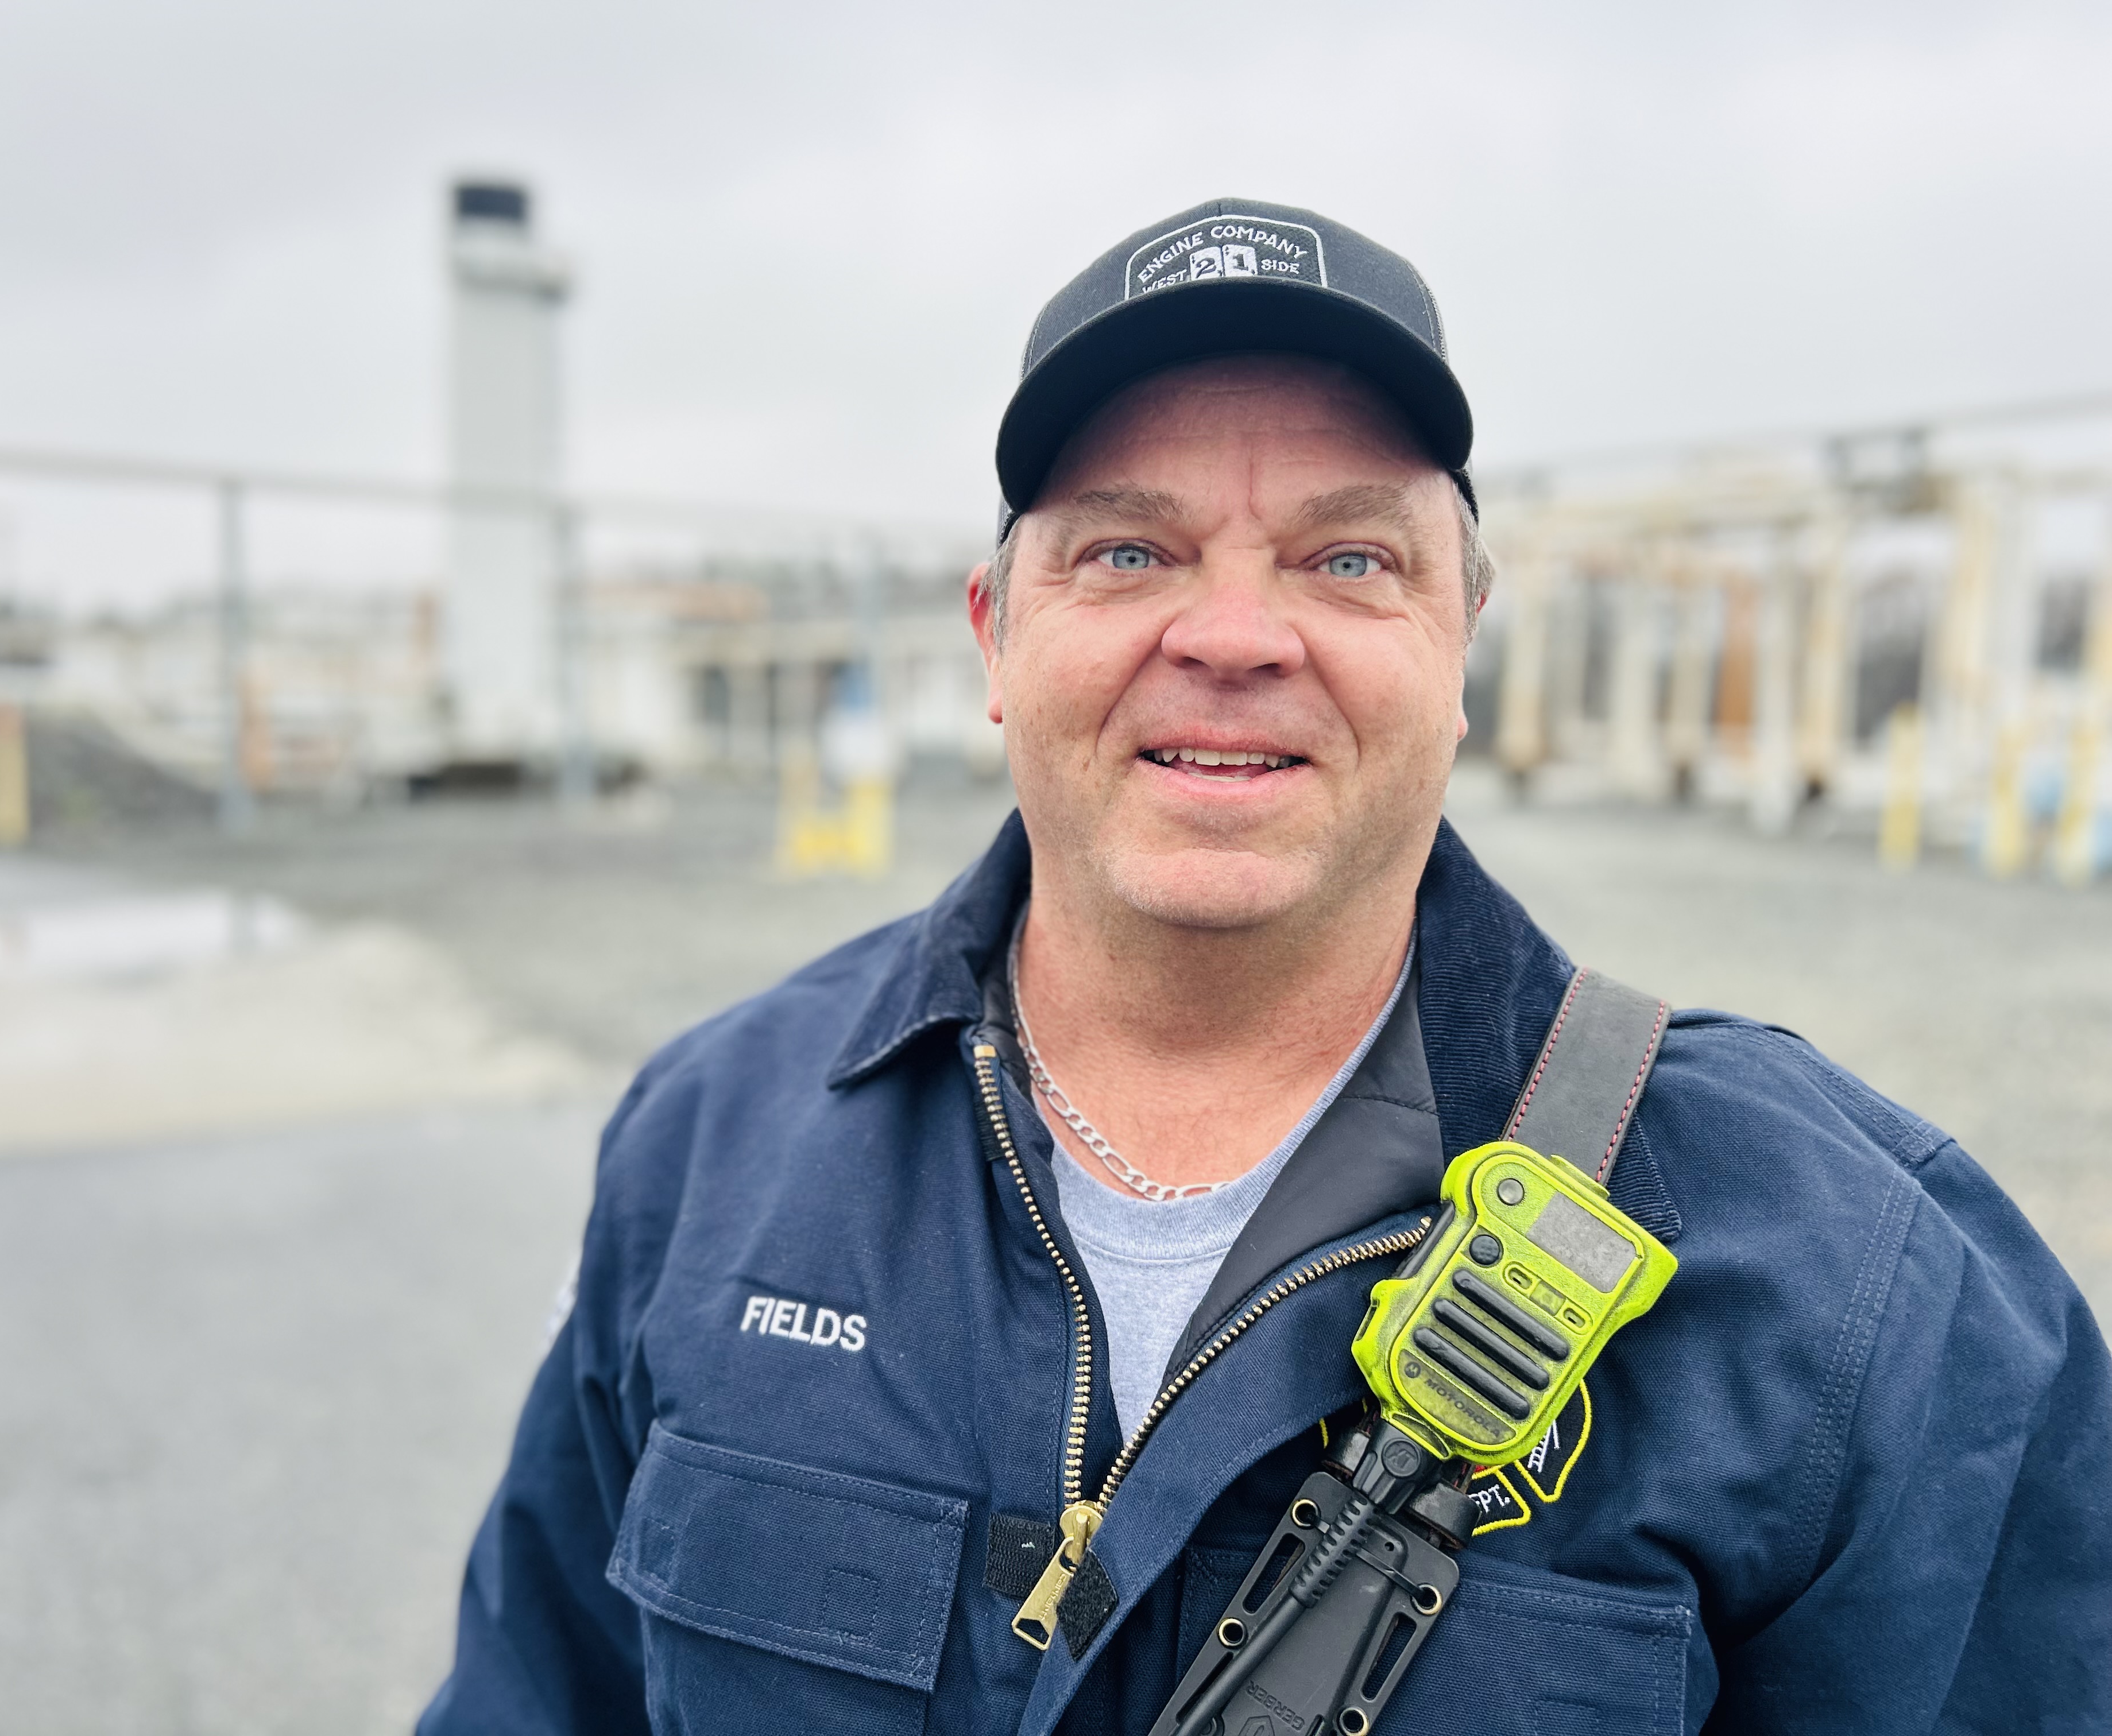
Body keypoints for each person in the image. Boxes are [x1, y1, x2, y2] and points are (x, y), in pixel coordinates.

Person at [418, 198, 2112, 1735]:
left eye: (1349, 560)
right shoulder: (715, 1140)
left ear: (1459, 656)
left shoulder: (1852, 1281)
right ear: (998, 639)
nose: (1232, 636)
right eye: (1130, 552)